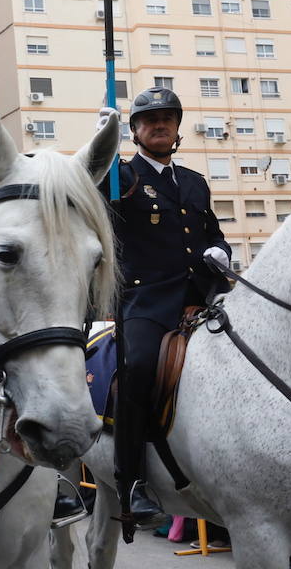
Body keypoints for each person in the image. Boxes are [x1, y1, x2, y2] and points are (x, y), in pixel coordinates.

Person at [90, 87, 231, 523]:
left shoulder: (194, 182)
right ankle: (131, 480)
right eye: (149, 119)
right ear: (134, 131)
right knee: (139, 369)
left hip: (204, 296)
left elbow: (211, 233)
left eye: (167, 117)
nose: (160, 124)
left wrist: (220, 252)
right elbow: (94, 195)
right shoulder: (123, 176)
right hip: (147, 299)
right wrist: (103, 145)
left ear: (177, 128)